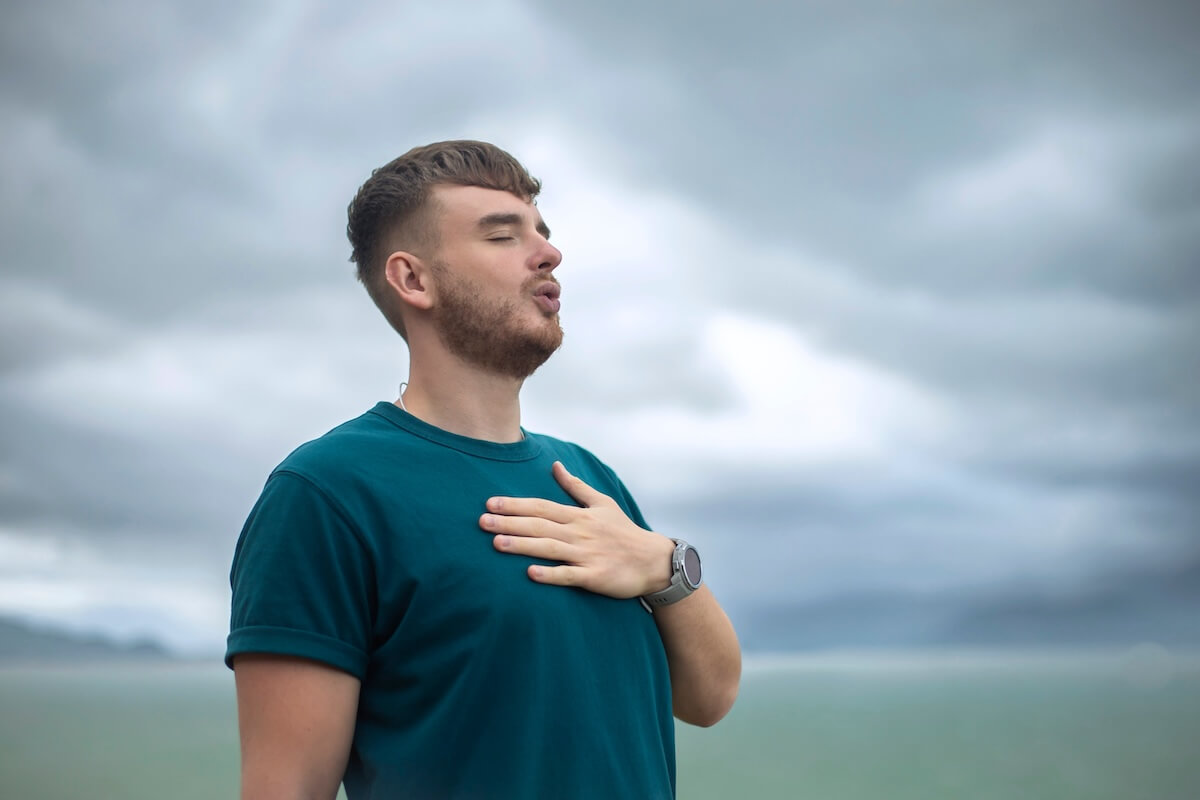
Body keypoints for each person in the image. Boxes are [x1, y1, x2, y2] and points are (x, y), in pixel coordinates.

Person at [226, 140, 741, 800]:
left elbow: (710, 696)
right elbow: (286, 788)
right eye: (502, 236)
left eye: (542, 232)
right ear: (414, 280)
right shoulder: (327, 495)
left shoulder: (586, 478)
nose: (548, 252)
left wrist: (665, 562)